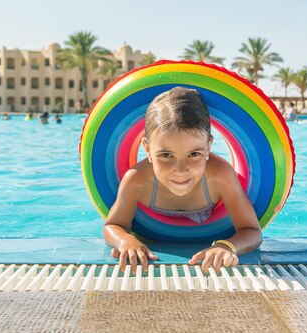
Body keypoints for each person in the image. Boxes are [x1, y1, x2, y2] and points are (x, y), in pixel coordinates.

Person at [103, 87, 262, 273]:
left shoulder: (220, 175)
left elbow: (252, 231)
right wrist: (125, 240)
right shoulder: (137, 180)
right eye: (165, 154)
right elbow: (113, 225)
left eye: (194, 154)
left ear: (208, 146)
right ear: (147, 149)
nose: (180, 170)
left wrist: (226, 246)